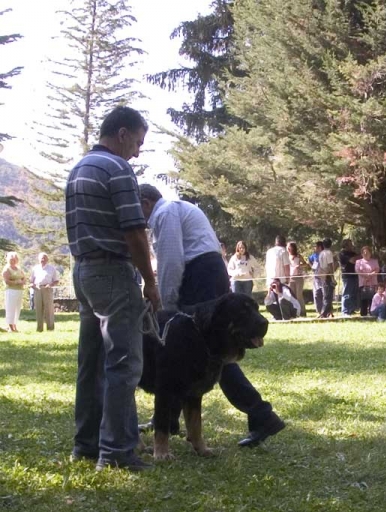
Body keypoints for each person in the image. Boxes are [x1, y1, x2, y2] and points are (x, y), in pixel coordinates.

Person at [139, 184, 285, 447]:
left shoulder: (165, 212)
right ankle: (168, 418)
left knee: (207, 350)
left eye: (136, 208)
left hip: (199, 275)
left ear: (146, 202)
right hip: (209, 270)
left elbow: (171, 262)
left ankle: (260, 413)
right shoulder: (180, 209)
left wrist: (166, 306)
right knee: (207, 349)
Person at [66, 106, 159, 472]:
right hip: (112, 273)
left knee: (91, 363)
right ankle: (117, 452)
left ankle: (86, 445)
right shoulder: (118, 169)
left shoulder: (79, 169)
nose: (137, 151)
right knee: (124, 362)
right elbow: (135, 231)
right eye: (137, 142)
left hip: (84, 271)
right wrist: (150, 283)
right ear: (121, 134)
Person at [29, 252, 60, 332]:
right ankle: (39, 328)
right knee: (38, 309)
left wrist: (50, 285)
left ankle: (50, 328)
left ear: (47, 259)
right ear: (38, 259)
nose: (43, 260)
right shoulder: (35, 268)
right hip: (37, 289)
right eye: (41, 258)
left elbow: (56, 280)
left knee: (49, 309)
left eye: (44, 258)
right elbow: (31, 280)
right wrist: (32, 285)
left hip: (47, 289)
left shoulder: (51, 268)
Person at [3, 251, 26, 332]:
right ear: (8, 259)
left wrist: (23, 281)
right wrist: (17, 282)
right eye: (12, 259)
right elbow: (6, 281)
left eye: (15, 259)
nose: (13, 260)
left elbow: (24, 276)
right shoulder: (7, 269)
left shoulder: (19, 268)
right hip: (11, 291)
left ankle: (15, 326)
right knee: (10, 309)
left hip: (19, 290)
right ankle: (10, 327)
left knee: (17, 309)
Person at [355, 246, 380, 316]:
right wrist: (366, 276)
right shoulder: (358, 262)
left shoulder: (375, 261)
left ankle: (372, 313)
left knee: (372, 299)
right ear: (362, 254)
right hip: (363, 283)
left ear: (370, 253)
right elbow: (358, 271)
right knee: (363, 299)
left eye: (367, 252)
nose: (365, 254)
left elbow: (377, 269)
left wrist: (370, 275)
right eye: (364, 252)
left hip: (373, 282)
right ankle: (363, 314)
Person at [339, 239, 359, 316]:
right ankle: (345, 310)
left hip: (354, 275)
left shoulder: (353, 253)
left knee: (353, 293)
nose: (352, 245)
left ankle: (351, 309)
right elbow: (352, 260)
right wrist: (361, 255)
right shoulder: (342, 254)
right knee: (347, 293)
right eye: (350, 244)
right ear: (346, 245)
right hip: (347, 276)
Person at [287, 241, 308, 317]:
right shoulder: (286, 256)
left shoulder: (298, 256)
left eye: (290, 247)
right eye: (287, 247)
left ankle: (302, 312)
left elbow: (305, 264)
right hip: (290, 278)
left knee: (299, 295)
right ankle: (294, 312)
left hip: (298, 277)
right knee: (292, 295)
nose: (288, 248)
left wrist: (299, 266)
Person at [317, 238, 336, 318]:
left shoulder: (321, 253)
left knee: (326, 294)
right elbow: (330, 265)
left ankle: (329, 312)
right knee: (328, 295)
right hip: (327, 275)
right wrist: (332, 277)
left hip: (322, 274)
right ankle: (323, 313)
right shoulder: (328, 253)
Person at [309, 241, 324, 315]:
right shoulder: (314, 255)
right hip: (316, 277)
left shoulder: (325, 254)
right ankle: (318, 310)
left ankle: (326, 310)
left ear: (320, 247)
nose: (315, 248)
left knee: (324, 293)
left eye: (316, 246)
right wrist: (312, 266)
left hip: (324, 277)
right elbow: (309, 260)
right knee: (316, 294)